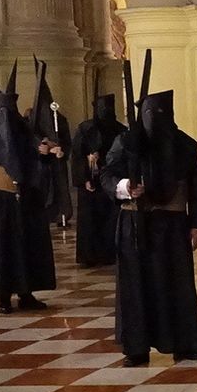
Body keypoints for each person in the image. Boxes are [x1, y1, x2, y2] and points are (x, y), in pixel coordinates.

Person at [100, 87, 197, 366]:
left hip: (172, 225)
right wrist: (125, 187)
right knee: (135, 285)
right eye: (149, 114)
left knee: (178, 285)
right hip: (134, 223)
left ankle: (185, 343)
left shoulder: (185, 145)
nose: (154, 120)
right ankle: (136, 347)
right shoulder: (125, 142)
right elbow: (107, 175)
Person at [0, 63, 56, 314]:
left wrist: (44, 155)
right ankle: (3, 296)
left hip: (26, 199)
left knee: (27, 247)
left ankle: (26, 292)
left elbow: (39, 163)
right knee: (1, 249)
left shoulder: (27, 134)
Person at [70, 91, 125, 267]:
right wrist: (86, 172)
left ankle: (111, 253)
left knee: (111, 219)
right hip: (91, 181)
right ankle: (89, 256)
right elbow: (77, 155)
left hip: (111, 181)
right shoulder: (85, 129)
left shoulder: (120, 130)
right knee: (90, 220)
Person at [28, 61, 74, 229]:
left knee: (59, 189)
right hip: (40, 165)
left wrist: (61, 150)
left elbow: (67, 142)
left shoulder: (59, 120)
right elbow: (30, 139)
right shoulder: (31, 120)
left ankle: (61, 213)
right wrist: (42, 147)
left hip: (56, 163)